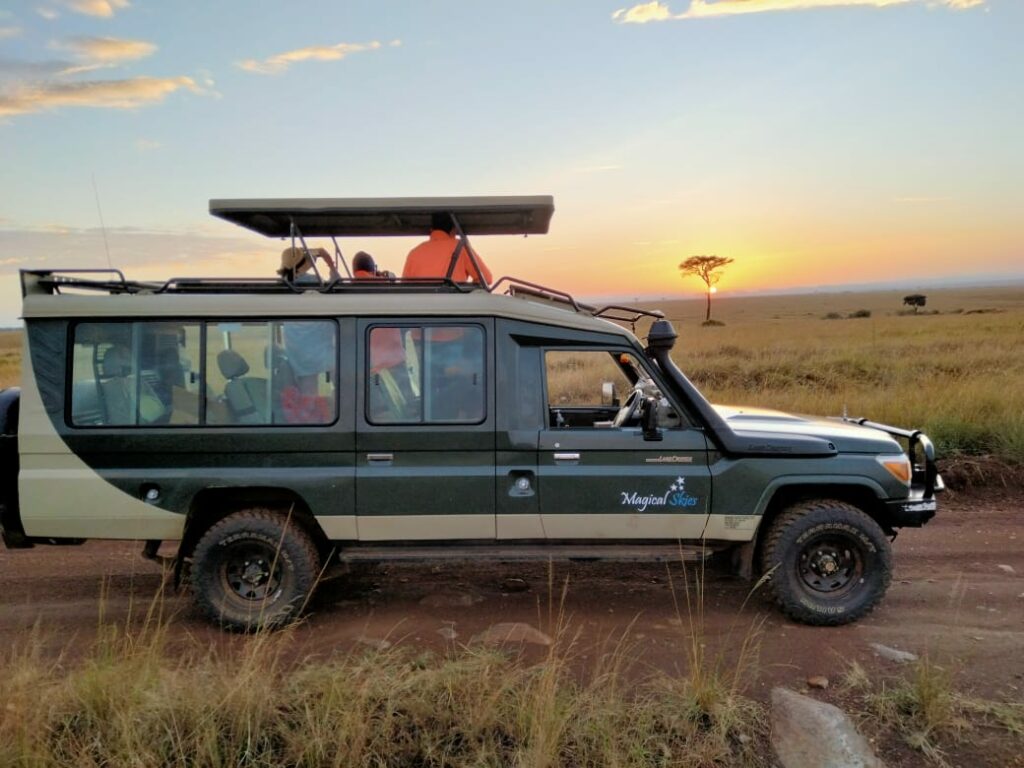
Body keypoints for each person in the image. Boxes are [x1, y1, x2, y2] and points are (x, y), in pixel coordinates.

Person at [402, 213, 492, 284]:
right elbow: (486, 279)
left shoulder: (414, 253)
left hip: (421, 306)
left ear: (431, 230)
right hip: (454, 306)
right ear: (453, 230)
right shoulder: (460, 247)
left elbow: (404, 288)